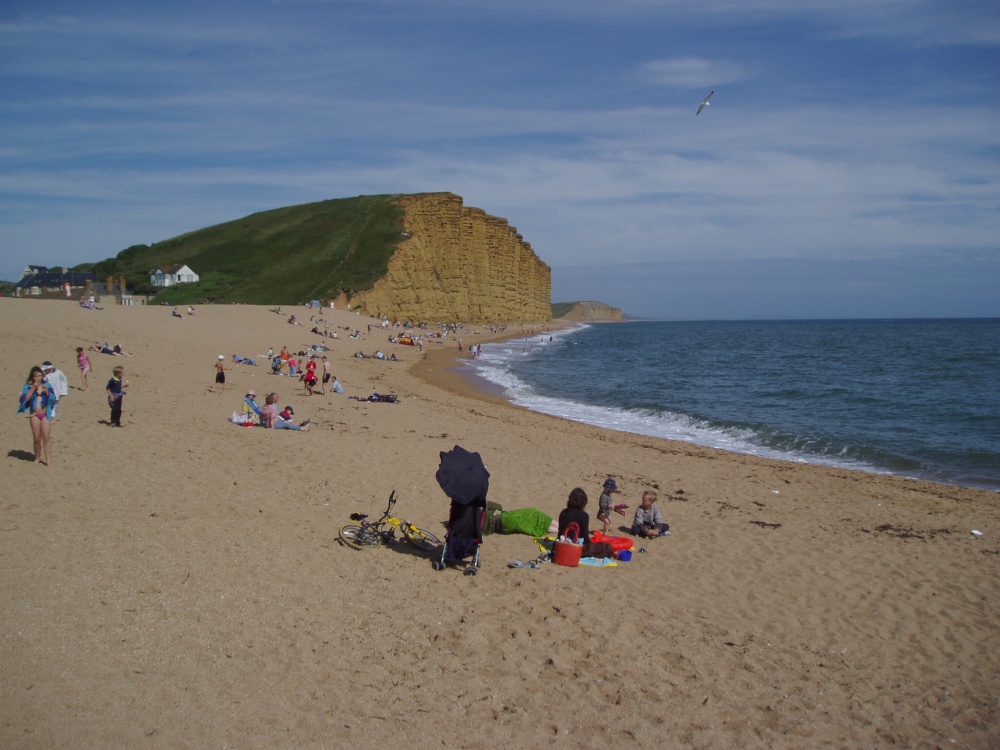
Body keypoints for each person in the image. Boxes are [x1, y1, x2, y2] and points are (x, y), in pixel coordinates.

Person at [557, 487, 614, 559]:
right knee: (607, 547)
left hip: (561, 545)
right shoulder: (584, 516)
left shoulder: (563, 512)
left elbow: (560, 532)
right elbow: (585, 538)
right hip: (576, 547)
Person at [18, 366, 55, 464]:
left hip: (45, 415)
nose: (38, 378)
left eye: (39, 375)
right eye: (35, 376)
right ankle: (37, 457)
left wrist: (47, 393)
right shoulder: (28, 386)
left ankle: (48, 460)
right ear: (32, 377)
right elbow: (24, 399)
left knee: (46, 437)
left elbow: (53, 398)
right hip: (34, 415)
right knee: (36, 438)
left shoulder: (47, 385)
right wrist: (33, 388)